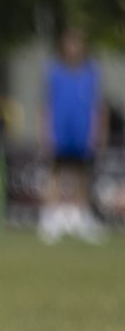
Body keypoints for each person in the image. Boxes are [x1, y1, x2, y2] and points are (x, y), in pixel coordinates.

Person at [38, 26, 107, 244]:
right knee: (56, 173)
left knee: (82, 174)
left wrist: (99, 133)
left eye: (78, 43)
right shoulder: (54, 72)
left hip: (82, 133)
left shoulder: (92, 72)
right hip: (60, 132)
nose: (74, 48)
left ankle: (82, 217)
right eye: (70, 43)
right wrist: (45, 133)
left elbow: (99, 106)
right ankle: (50, 219)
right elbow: (45, 106)